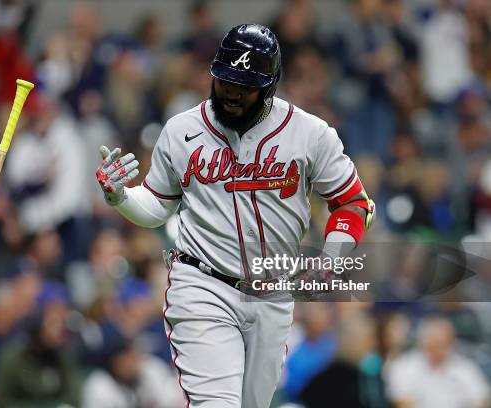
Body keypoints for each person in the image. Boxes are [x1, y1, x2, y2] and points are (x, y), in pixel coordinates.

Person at [95, 23, 375, 407]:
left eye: (244, 86)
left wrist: (330, 260)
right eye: (226, 81)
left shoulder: (311, 134)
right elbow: (158, 205)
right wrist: (120, 197)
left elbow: (353, 203)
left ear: (270, 85)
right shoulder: (182, 131)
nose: (231, 93)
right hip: (202, 283)